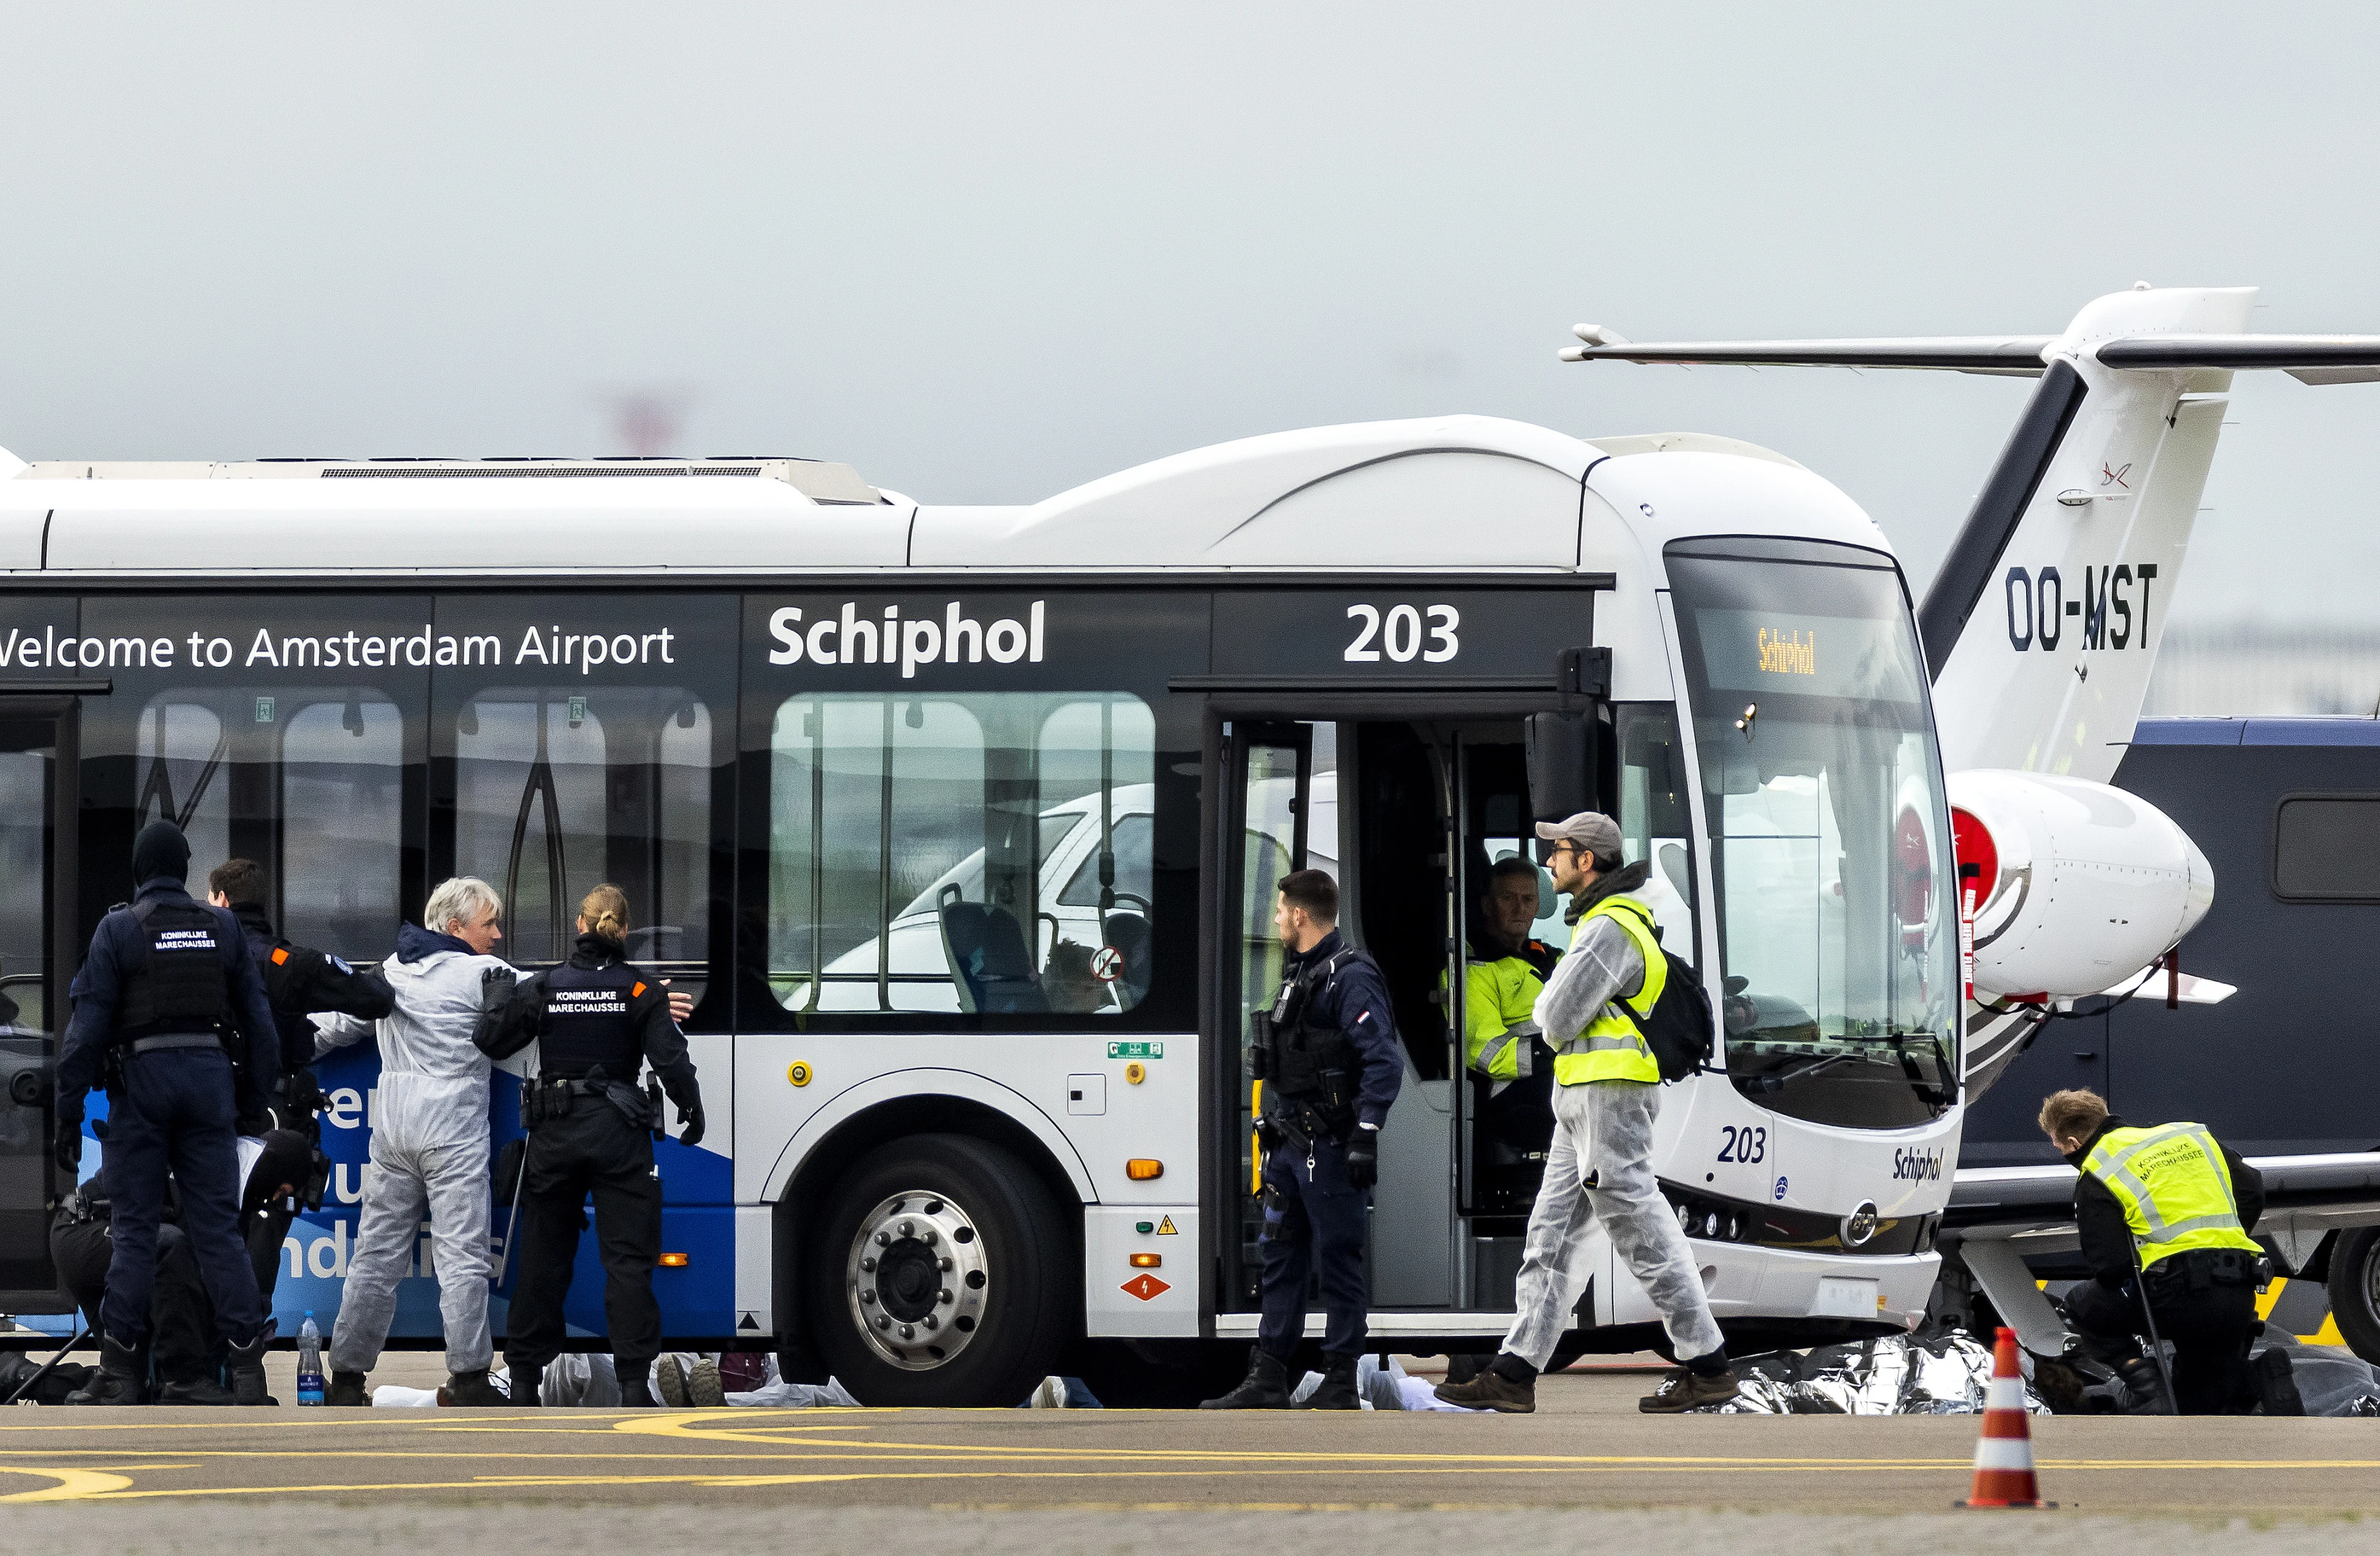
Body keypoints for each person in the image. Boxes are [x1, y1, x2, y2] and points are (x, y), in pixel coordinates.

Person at [1436, 812, 1736, 1415]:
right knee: (1550, 1239)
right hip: (1580, 1101)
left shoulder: (1609, 927)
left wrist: (1547, 1007)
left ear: (1588, 860)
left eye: (1559, 852)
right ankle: (1514, 1372)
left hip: (1609, 1099)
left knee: (1641, 1227)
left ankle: (1708, 1363)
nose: (1551, 863)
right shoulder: (1597, 923)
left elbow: (1553, 1016)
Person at [51, 820, 282, 1406]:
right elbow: (260, 1025)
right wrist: (253, 1102)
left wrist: (67, 1111)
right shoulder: (224, 927)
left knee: (133, 1233)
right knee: (218, 1234)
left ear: (138, 869)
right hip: (209, 1087)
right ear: (183, 870)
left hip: (143, 1089)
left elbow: (85, 1032)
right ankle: (249, 1374)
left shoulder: (118, 930)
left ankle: (119, 1374)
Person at [486, 884, 704, 1410]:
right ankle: (633, 1386)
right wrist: (692, 1109)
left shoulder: (547, 986)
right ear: (624, 932)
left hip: (554, 1135)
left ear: (580, 927)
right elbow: (671, 1061)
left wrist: (496, 1002)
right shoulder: (640, 990)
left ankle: (522, 1383)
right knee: (628, 1263)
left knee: (542, 1259)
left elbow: (493, 1041)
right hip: (620, 1137)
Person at [1201, 869, 1402, 1411]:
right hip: (1289, 1147)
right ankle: (1268, 1377)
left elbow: (1383, 1061)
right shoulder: (1303, 973)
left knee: (1338, 1261)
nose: (1275, 920)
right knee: (1279, 1259)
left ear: (1300, 915)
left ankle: (1340, 1380)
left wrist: (1366, 1132)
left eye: (1279, 911)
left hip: (1331, 1148)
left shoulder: (1349, 976)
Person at [314, 877, 514, 1407]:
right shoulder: (482, 974)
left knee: (375, 1258)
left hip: (395, 1131)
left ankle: (348, 1379)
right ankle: (470, 1378)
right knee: (463, 1259)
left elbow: (333, 1025)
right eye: (488, 923)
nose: (497, 933)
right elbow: (559, 999)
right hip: (453, 1134)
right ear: (455, 927)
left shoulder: (392, 969)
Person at [207, 857, 394, 1276]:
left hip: (209, 1113)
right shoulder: (291, 963)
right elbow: (376, 1000)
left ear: (221, 900)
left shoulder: (197, 961)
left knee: (210, 1228)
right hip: (276, 1117)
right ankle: (247, 1332)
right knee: (265, 1226)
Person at [2039, 1087, 2266, 1414]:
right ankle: (2263, 1380)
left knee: (2083, 1305)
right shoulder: (2188, 1136)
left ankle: (2148, 1390)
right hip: (2239, 1291)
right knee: (2202, 1401)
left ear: (2073, 1144)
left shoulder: (2099, 1170)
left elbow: (2111, 1267)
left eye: (2059, 1147)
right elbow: (2252, 1188)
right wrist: (2222, 1238)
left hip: (2176, 1296)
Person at [52, 1129, 316, 1404]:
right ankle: (183, 1380)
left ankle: (24, 1378)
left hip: (121, 1237)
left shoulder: (240, 1172)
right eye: (281, 1191)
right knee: (170, 1246)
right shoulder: (216, 1167)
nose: (274, 1199)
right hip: (82, 1231)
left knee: (132, 1383)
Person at [1460, 855, 1562, 1153]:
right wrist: (1554, 1049)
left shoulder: (1552, 958)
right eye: (1508, 898)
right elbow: (1488, 1054)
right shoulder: (1471, 969)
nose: (1520, 908)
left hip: (1558, 1084)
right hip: (1512, 1097)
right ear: (1486, 905)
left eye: (1528, 899)